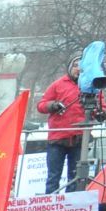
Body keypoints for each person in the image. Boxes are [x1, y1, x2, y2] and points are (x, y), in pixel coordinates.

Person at [36, 54, 85, 193]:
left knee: (75, 177)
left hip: (79, 138)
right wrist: (53, 105)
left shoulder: (90, 86)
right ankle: (50, 209)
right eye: (75, 66)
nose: (78, 69)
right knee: (53, 177)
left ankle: (71, 209)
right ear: (69, 68)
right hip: (57, 138)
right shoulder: (58, 84)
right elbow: (41, 105)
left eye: (82, 66)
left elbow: (101, 106)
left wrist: (101, 113)